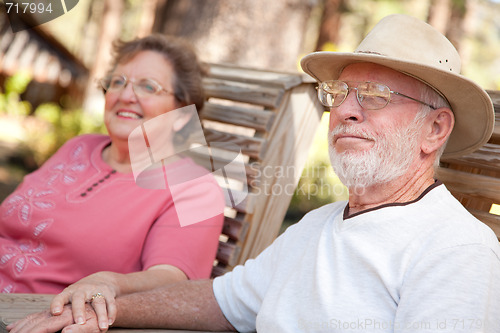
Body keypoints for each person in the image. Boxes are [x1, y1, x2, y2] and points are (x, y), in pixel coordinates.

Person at [8, 14, 500, 333]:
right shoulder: (318, 227)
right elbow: (223, 302)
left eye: (374, 95)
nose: (346, 111)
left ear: (435, 128)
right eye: (341, 94)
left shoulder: (455, 250)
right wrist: (111, 298)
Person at [2, 34, 224, 329]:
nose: (126, 95)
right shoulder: (79, 147)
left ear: (182, 115)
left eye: (148, 86)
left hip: (33, 316)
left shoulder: (195, 189)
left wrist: (109, 282)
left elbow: (172, 279)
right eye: (118, 81)